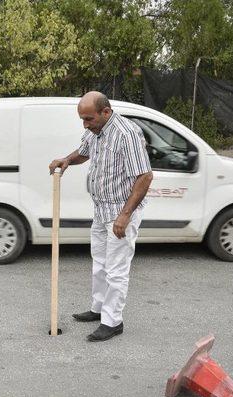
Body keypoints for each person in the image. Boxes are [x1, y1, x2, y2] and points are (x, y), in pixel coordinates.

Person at [48, 91, 153, 342]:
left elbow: (145, 176)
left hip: (119, 212)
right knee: (100, 263)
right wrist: (66, 160)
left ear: (106, 112)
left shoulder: (127, 134)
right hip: (101, 209)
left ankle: (112, 321)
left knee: (116, 270)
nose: (85, 124)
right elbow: (84, 152)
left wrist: (124, 216)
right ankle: (98, 309)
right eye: (82, 119)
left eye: (88, 119)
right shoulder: (97, 130)